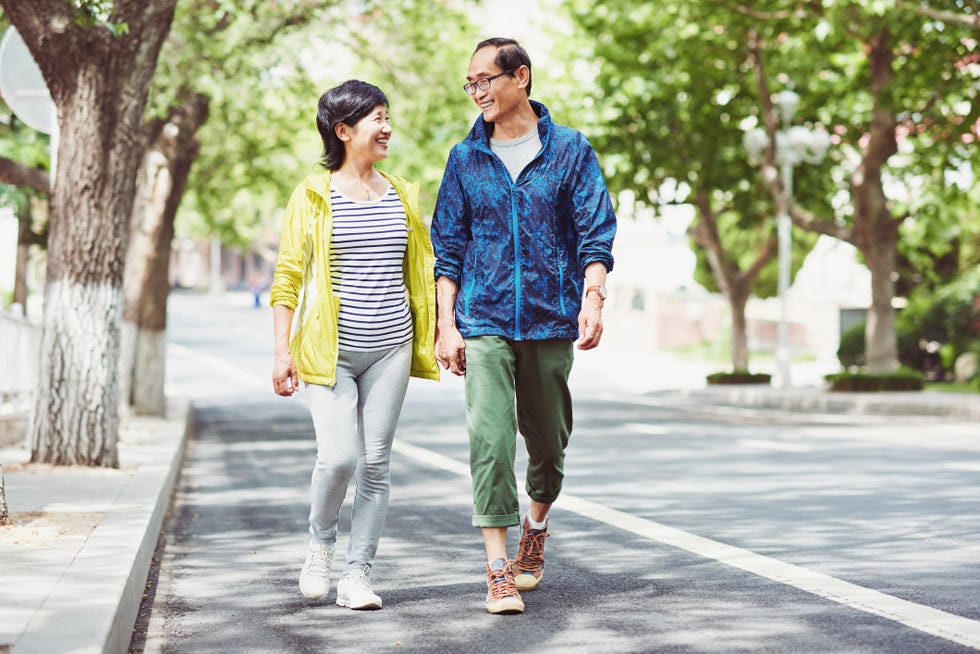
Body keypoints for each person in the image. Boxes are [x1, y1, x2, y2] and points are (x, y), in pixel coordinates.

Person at [431, 38, 616, 614]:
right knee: (488, 440)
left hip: (550, 320)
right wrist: (446, 325)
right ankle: (496, 569)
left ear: (521, 78)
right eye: (471, 83)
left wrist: (594, 298)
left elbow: (595, 232)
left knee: (549, 446)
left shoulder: (570, 151)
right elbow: (448, 250)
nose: (478, 91)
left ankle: (536, 528)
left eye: (486, 79)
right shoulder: (465, 158)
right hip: (482, 319)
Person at [270, 80, 438, 611]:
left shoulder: (402, 193)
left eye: (388, 116)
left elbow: (425, 270)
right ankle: (320, 544)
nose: (387, 128)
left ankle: (358, 574)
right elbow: (288, 277)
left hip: (391, 345)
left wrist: (440, 330)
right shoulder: (313, 195)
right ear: (343, 131)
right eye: (376, 118)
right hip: (331, 349)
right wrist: (282, 351)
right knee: (338, 458)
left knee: (377, 463)